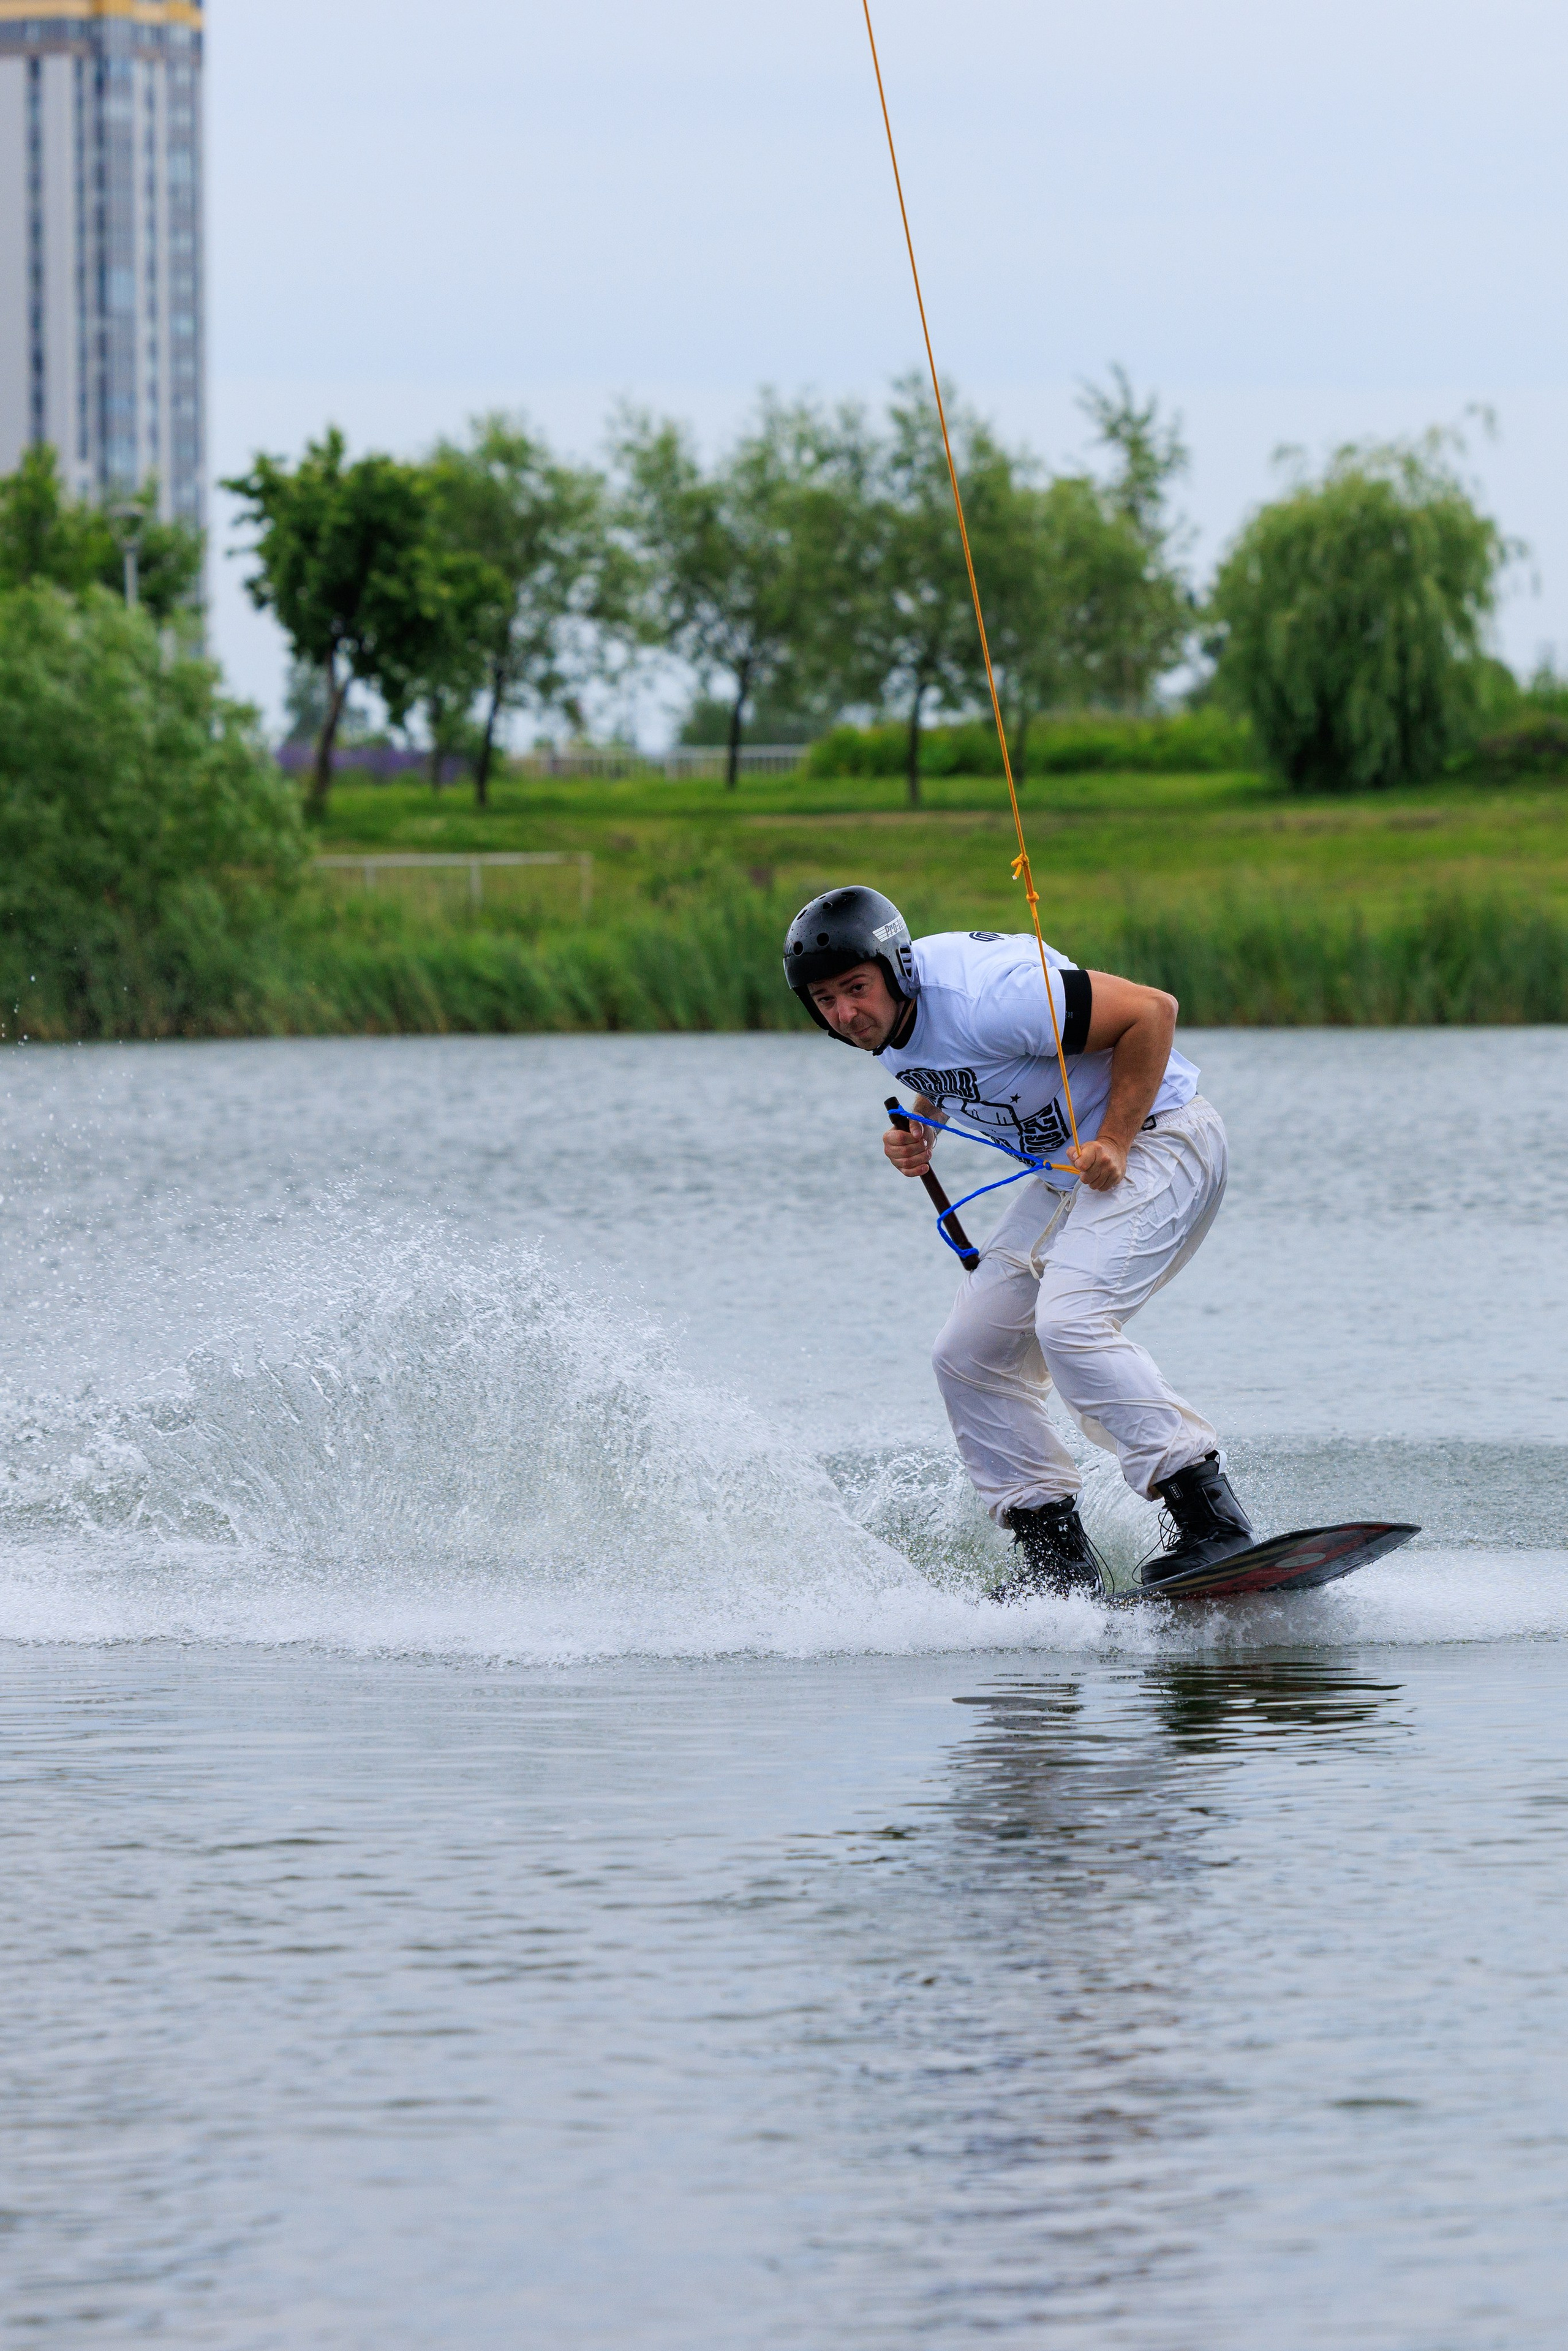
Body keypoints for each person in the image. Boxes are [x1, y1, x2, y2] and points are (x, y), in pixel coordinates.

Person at [783, 884, 1254, 1600]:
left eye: (855, 989)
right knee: (967, 1354)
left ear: (897, 969)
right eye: (826, 1001)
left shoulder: (993, 996)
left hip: (1164, 1136)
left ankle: (1211, 1517)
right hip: (1074, 1163)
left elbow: (1153, 1012)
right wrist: (924, 1124)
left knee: (1069, 1321)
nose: (846, 1014)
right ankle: (1055, 1563)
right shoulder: (882, 1028)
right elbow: (949, 1062)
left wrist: (1116, 1140)